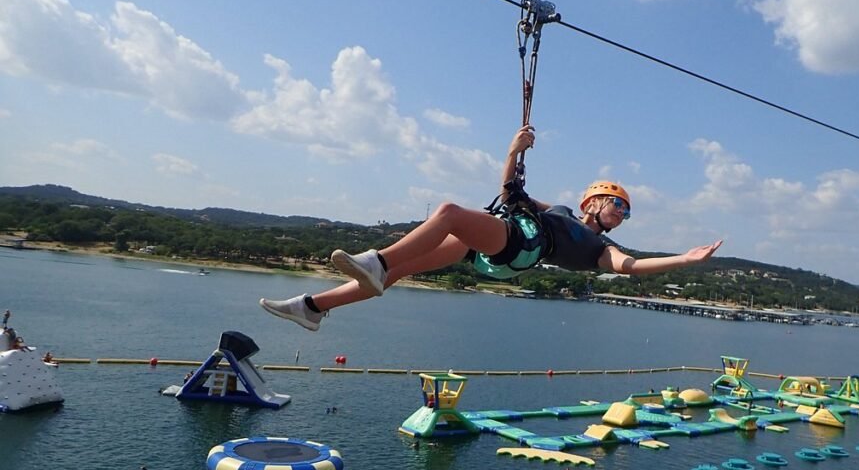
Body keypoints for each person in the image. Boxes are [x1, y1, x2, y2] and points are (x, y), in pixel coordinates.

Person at [261, 125, 723, 331]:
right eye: (617, 207)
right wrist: (513, 150)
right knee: (405, 270)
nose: (621, 216)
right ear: (594, 202)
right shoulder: (560, 209)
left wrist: (685, 258)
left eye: (624, 212)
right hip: (503, 243)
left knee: (447, 212)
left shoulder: (601, 248)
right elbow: (510, 193)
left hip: (519, 249)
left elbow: (632, 267)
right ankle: (314, 307)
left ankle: (377, 260)